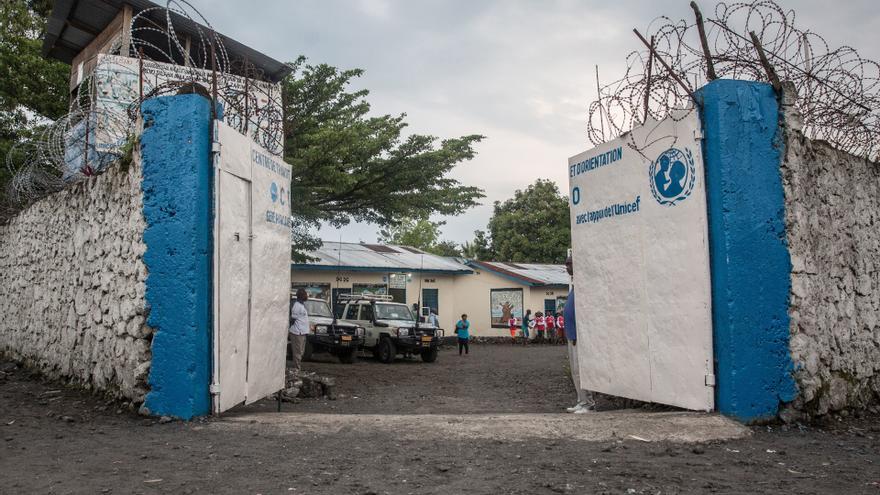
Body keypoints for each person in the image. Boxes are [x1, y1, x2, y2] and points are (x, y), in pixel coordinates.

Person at [564, 253, 595, 414]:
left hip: (577, 334)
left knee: (581, 371)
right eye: (566, 264)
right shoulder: (575, 285)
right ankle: (581, 400)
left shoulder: (583, 285)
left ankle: (588, 403)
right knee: (575, 371)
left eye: (570, 264)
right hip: (571, 334)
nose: (567, 267)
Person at [289, 288, 310, 377]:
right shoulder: (297, 306)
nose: (307, 296)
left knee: (301, 352)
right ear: (302, 296)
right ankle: (297, 370)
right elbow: (293, 319)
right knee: (298, 352)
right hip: (297, 332)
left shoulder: (301, 305)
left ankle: (297, 368)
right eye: (305, 294)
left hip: (302, 332)